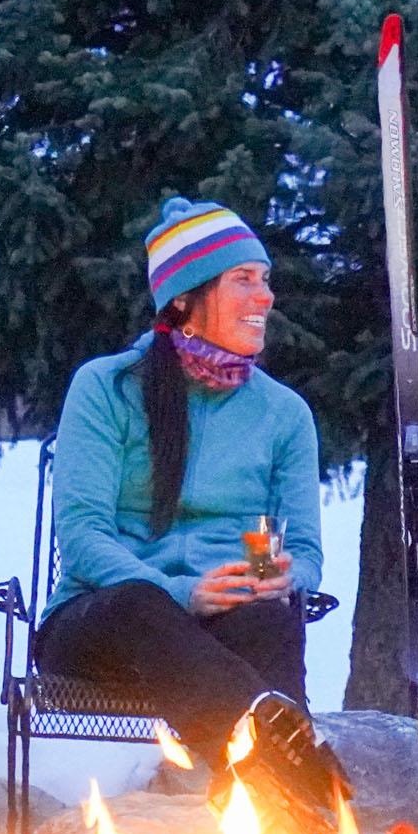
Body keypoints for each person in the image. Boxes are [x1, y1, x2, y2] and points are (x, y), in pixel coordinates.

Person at [34, 196, 326, 773]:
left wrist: (281, 577)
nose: (265, 296)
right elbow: (83, 535)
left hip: (232, 621)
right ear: (186, 298)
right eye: (244, 279)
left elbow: (306, 553)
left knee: (271, 620)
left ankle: (279, 819)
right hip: (105, 623)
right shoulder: (106, 387)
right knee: (141, 606)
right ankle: (298, 768)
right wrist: (182, 594)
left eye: (266, 279)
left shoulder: (284, 413)